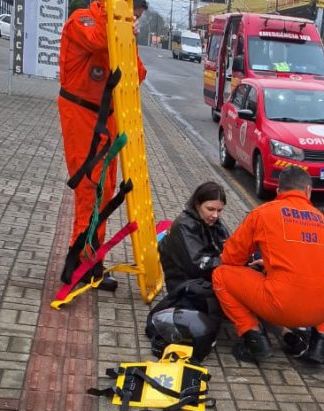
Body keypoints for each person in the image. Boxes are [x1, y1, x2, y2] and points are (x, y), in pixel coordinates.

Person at [57, 0, 149, 291]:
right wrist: (120, 25)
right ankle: (80, 261)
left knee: (105, 189)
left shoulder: (119, 32)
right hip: (81, 112)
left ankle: (91, 258)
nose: (134, 21)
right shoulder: (82, 20)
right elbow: (98, 41)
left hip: (106, 117)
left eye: (137, 18)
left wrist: (130, 38)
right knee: (89, 187)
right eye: (132, 15)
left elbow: (137, 74)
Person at [213, 166, 324, 364]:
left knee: (221, 275)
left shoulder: (263, 213)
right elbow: (312, 263)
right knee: (321, 282)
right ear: (308, 191)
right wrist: (271, 263)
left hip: (283, 307)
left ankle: (255, 340)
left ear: (279, 190)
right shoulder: (323, 221)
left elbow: (231, 258)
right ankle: (320, 347)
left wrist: (261, 268)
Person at [145, 182, 230, 362]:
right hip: (187, 285)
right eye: (210, 209)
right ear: (197, 204)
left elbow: (230, 246)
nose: (215, 215)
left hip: (206, 277)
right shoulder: (184, 225)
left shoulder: (214, 223)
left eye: (219, 210)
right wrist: (231, 262)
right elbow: (198, 265)